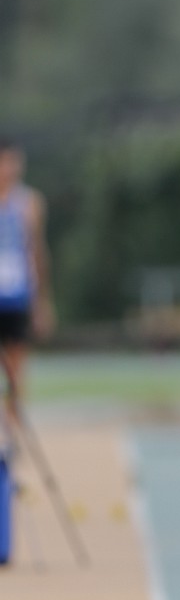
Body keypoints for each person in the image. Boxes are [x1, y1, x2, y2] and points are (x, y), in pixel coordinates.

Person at [0, 138, 54, 424]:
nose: (10, 168)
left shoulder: (29, 202)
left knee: (16, 366)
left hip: (16, 295)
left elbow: (37, 253)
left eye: (15, 162)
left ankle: (12, 426)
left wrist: (42, 301)